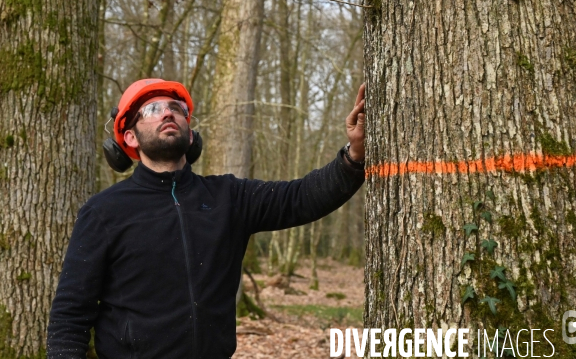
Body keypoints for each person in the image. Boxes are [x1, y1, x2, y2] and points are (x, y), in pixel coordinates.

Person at [47, 78, 366, 358]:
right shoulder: (103, 212)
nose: (168, 112)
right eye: (152, 109)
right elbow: (70, 314)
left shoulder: (229, 197)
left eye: (176, 108)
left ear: (190, 135)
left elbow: (302, 198)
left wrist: (353, 157)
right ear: (129, 137)